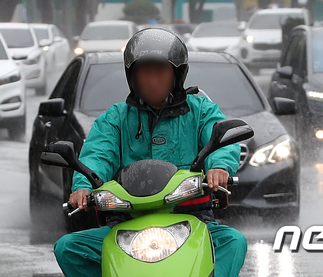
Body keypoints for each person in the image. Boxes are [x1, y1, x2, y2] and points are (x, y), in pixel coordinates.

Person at [53, 28, 247, 276]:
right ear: (131, 76)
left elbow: (220, 139)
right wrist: (82, 186)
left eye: (160, 72)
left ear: (177, 74)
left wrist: (219, 167)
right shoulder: (115, 118)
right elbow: (96, 155)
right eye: (145, 72)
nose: (153, 80)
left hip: (192, 218)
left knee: (233, 242)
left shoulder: (201, 110)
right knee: (68, 248)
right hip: (125, 223)